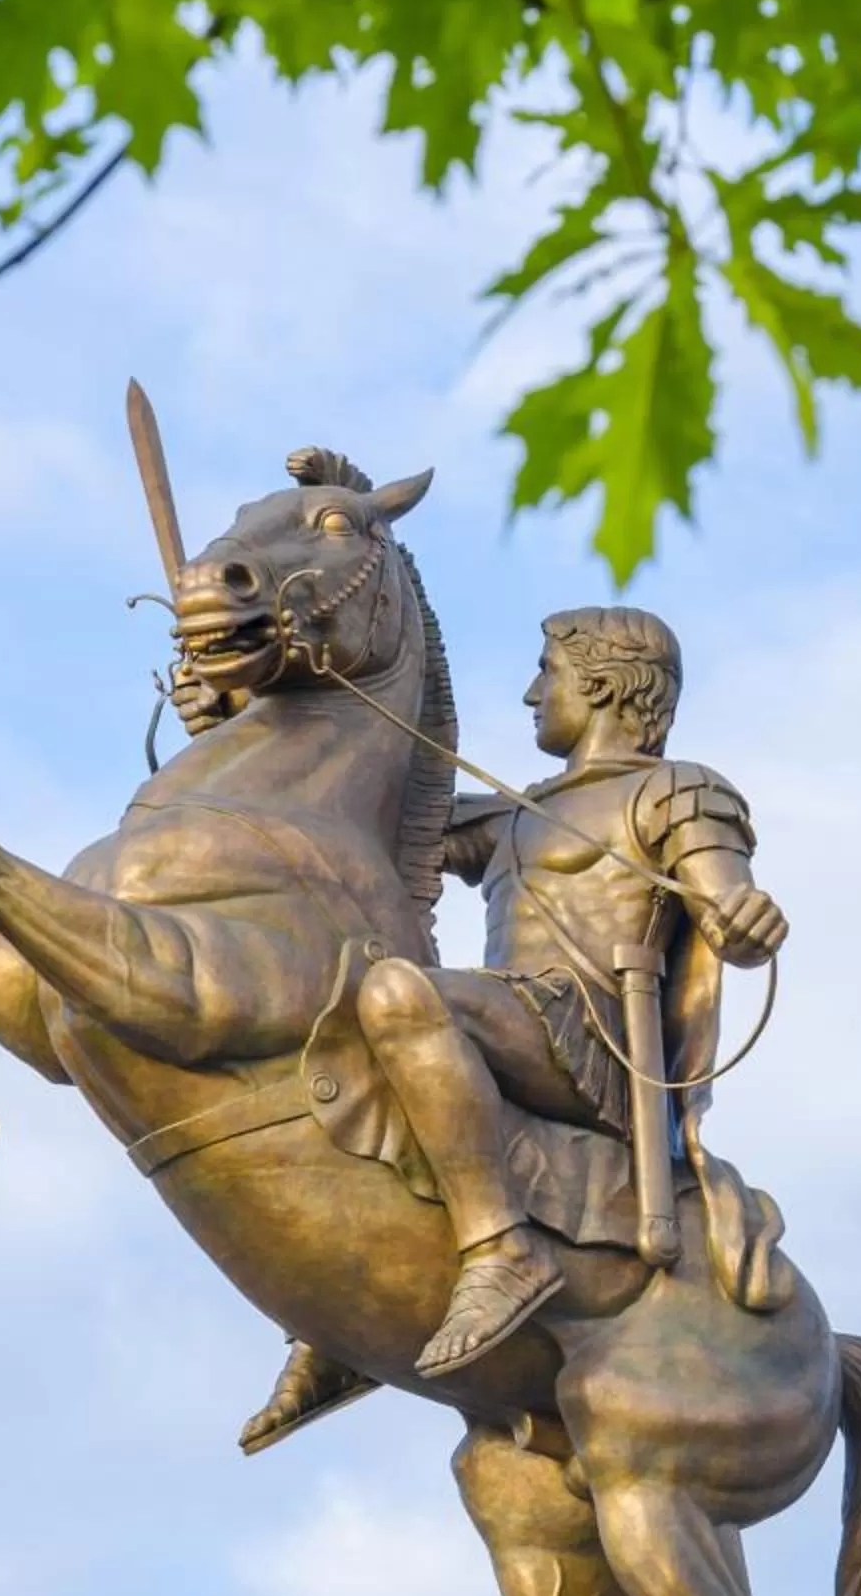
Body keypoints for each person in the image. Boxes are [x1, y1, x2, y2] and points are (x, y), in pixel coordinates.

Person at [215, 607, 788, 1444]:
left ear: (599, 685)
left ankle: (501, 1250)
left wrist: (741, 917)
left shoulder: (677, 790)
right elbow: (357, 813)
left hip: (592, 1045)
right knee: (337, 1010)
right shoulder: (516, 813)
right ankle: (345, 1316)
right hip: (515, 1023)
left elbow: (721, 894)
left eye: (547, 674)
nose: (531, 693)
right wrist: (250, 708)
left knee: (402, 996)